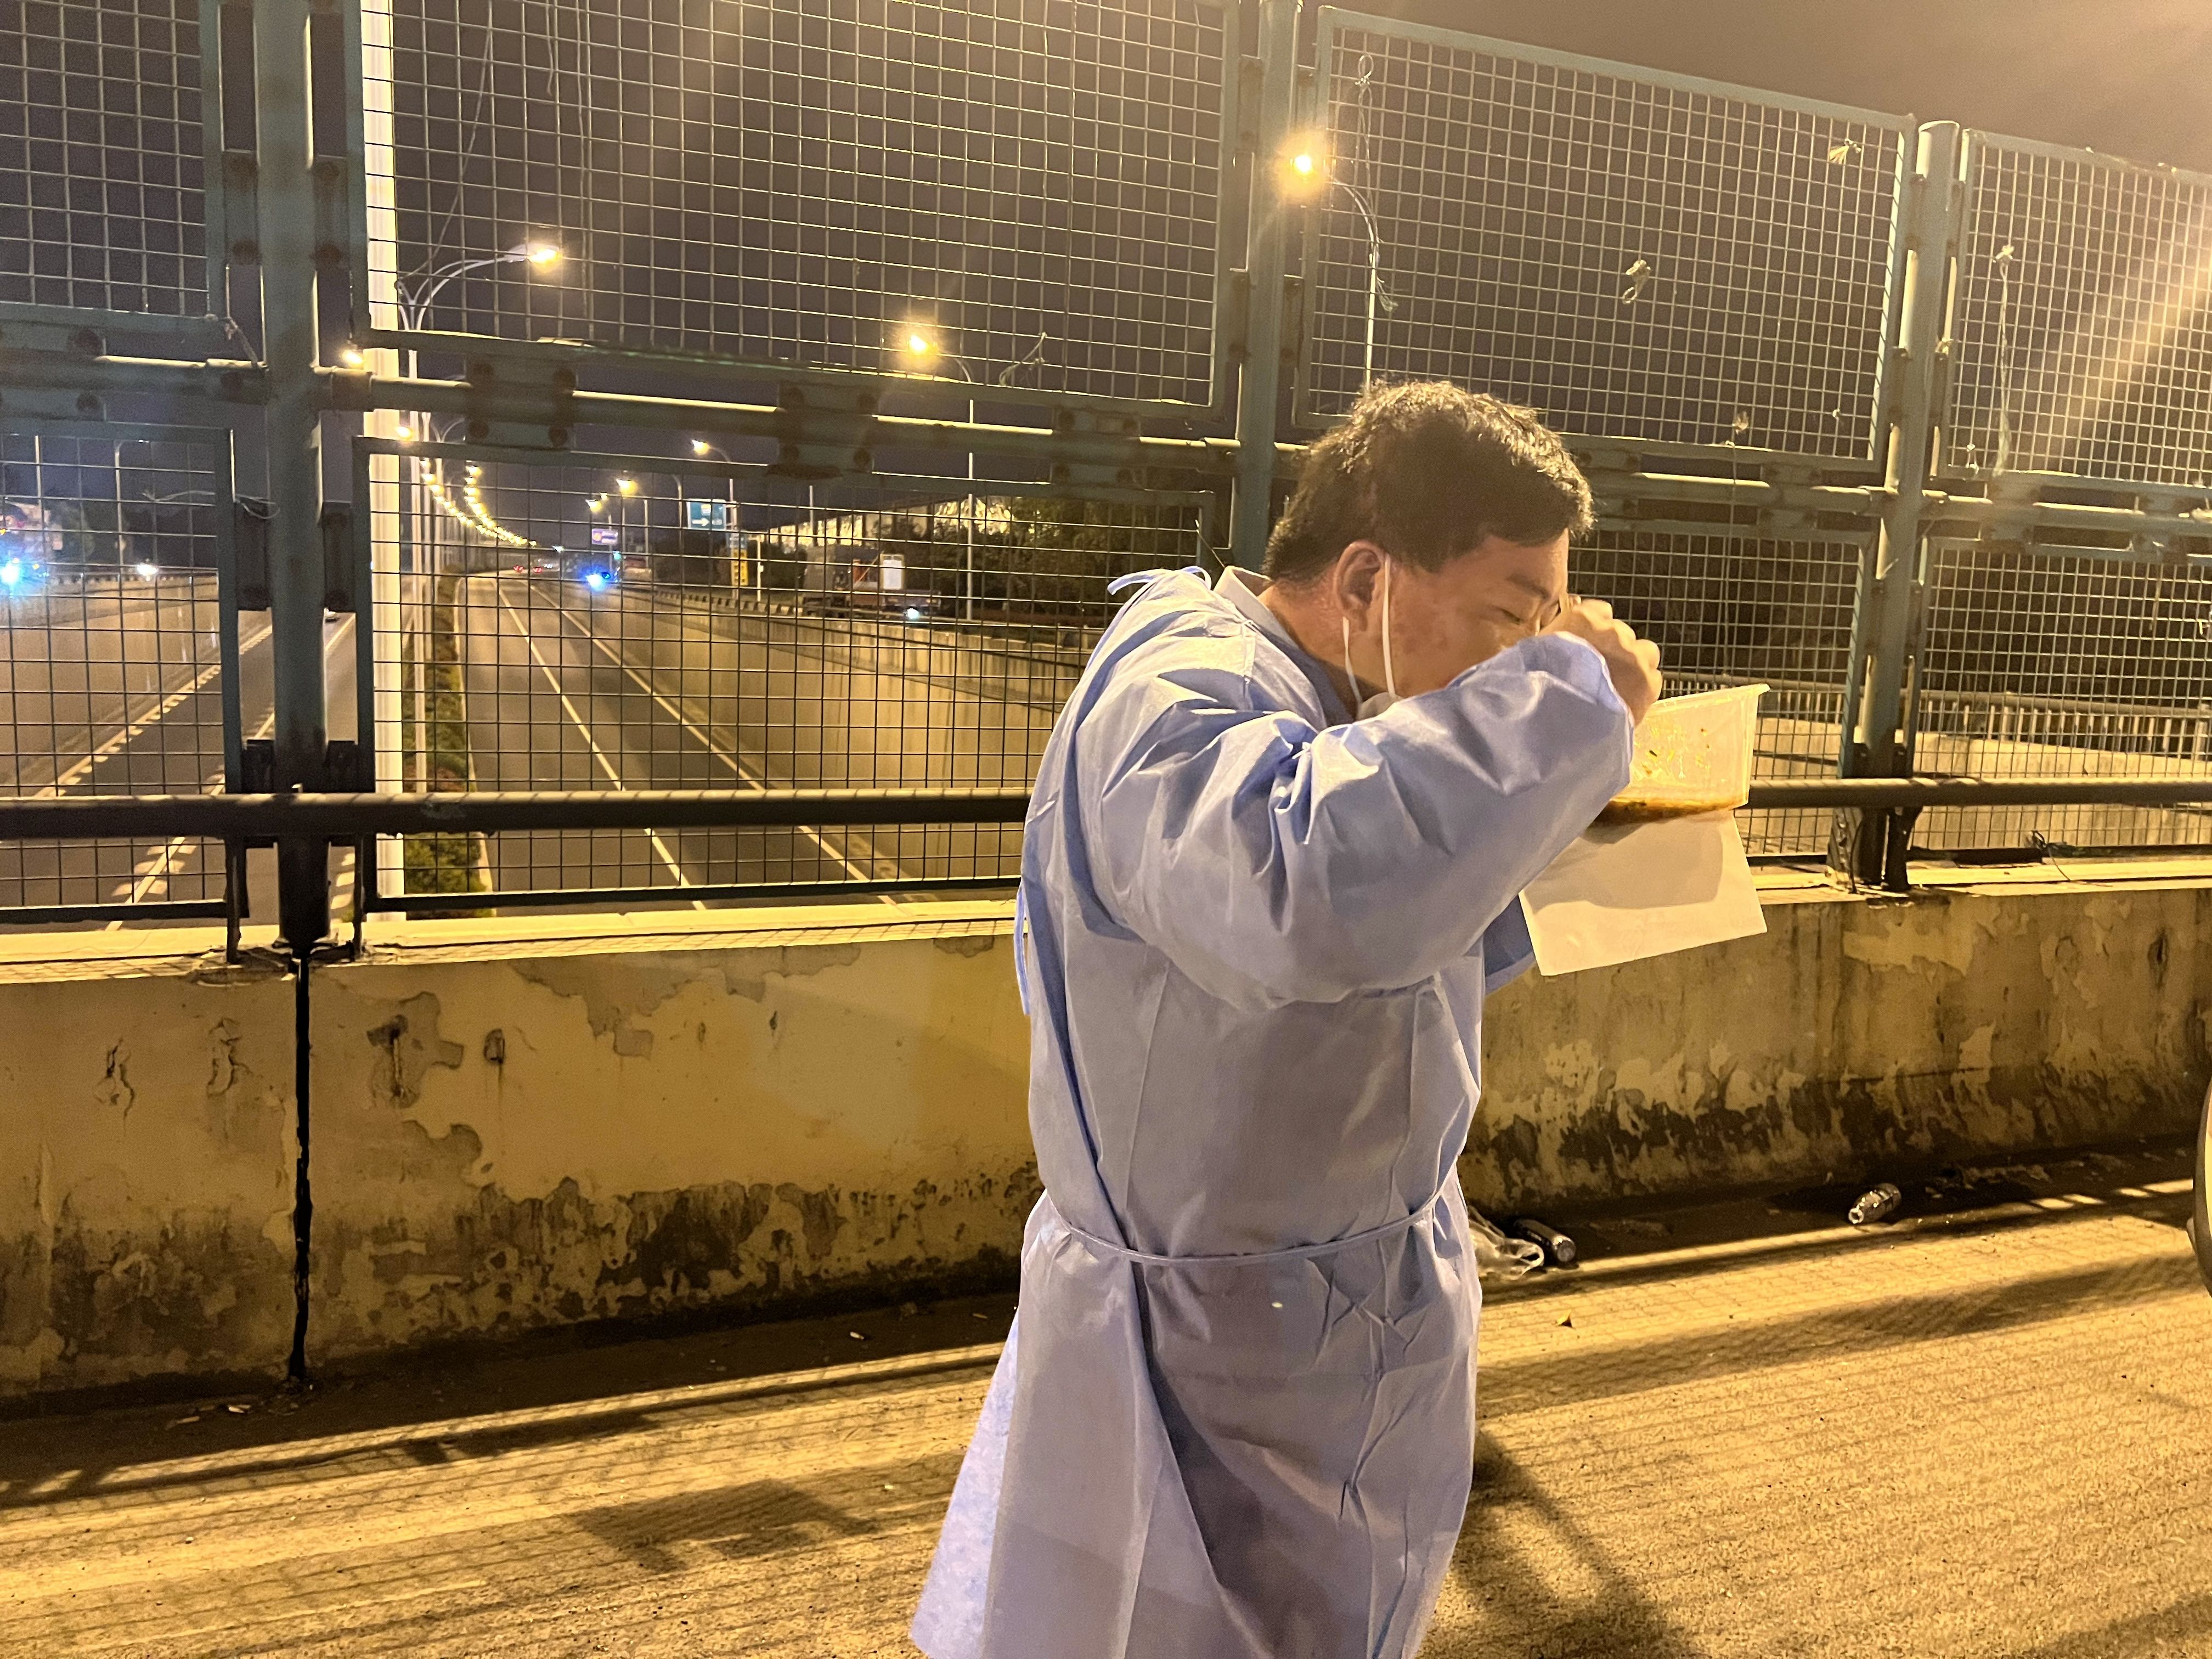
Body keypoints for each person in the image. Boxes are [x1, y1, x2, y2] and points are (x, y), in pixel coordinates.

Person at [911, 381, 1663, 1659]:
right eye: (1510, 619)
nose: (1520, 663)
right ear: (1365, 579)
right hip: (1210, 1359)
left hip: (1326, 1327)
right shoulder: (1179, 687)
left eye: (1544, 634)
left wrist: (1557, 826)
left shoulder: (1346, 706)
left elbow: (1397, 960)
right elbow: (1299, 892)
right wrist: (1571, 703)